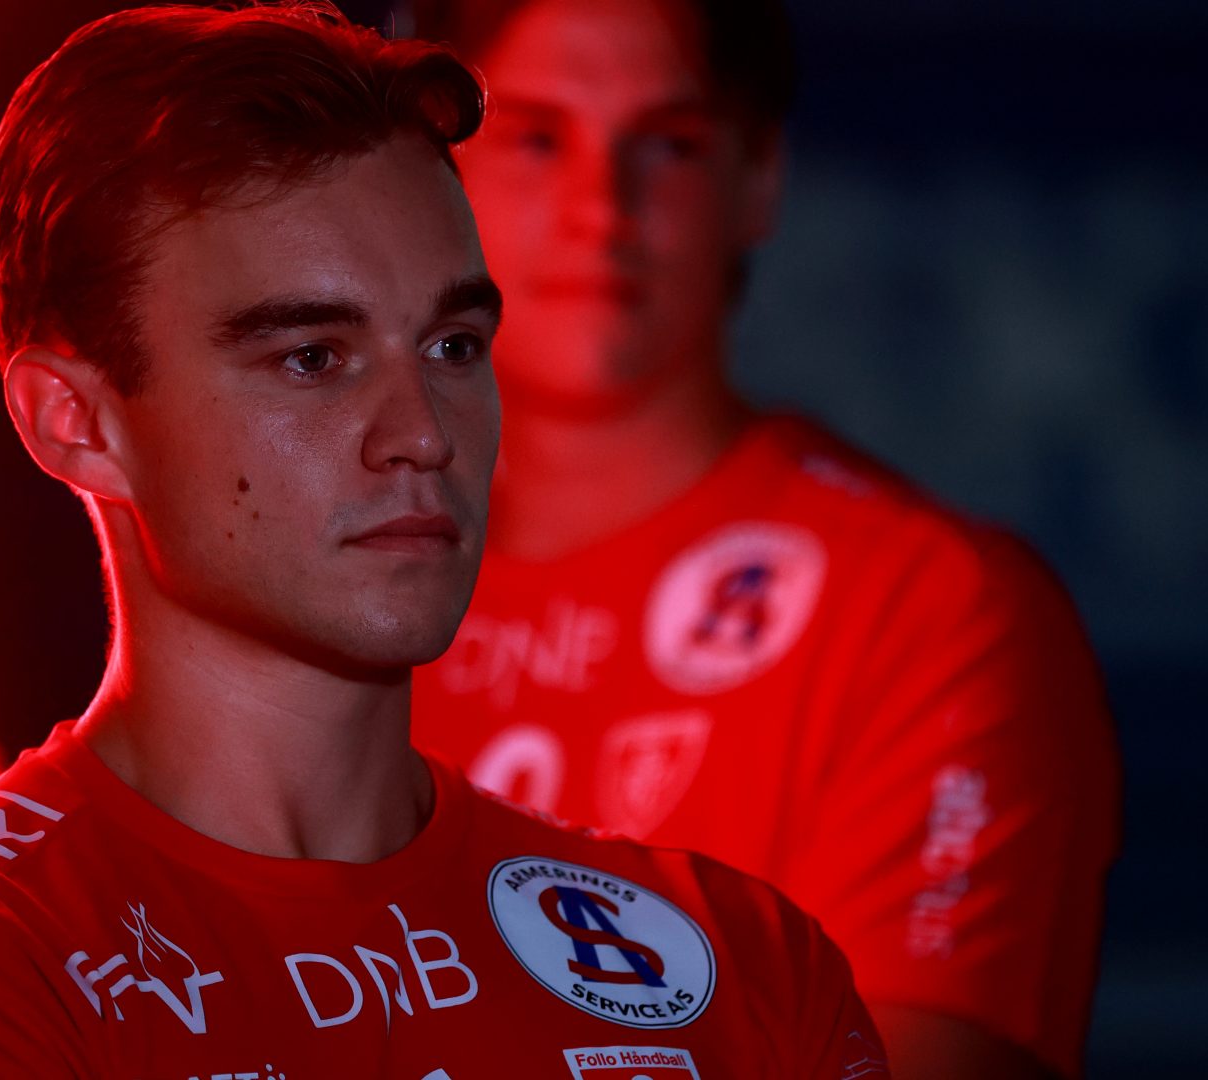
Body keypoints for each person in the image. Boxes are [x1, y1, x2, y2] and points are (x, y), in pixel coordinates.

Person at [0, 5, 886, 1076]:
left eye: (452, 348)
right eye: (312, 358)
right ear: (75, 423)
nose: (422, 434)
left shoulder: (739, 969)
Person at [404, 2, 1121, 1077]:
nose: (602, 208)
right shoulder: (312, 591)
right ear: (427, 173)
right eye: (538, 138)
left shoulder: (927, 611)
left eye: (671, 145)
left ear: (759, 180)